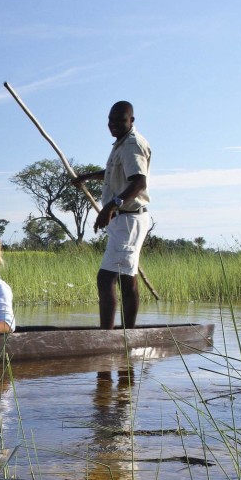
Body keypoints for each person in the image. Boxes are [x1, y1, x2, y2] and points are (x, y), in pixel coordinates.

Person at [71, 100, 152, 330]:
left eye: (120, 120)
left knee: (106, 279)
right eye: (111, 120)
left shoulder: (132, 145)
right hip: (124, 219)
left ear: (131, 121)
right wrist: (86, 177)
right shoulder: (120, 144)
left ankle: (109, 337)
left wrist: (110, 207)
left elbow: (139, 182)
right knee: (127, 279)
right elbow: (112, 173)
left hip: (129, 218)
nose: (114, 124)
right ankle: (126, 334)